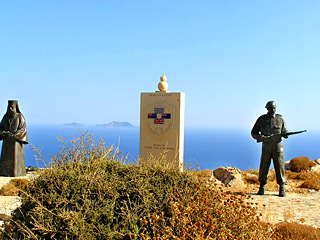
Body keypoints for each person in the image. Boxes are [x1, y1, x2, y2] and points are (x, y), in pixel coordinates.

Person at [251, 101, 288, 197]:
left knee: (279, 167)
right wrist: (261, 138)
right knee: (264, 167)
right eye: (271, 108)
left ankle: (282, 188)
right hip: (266, 147)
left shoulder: (280, 118)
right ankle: (262, 187)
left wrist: (285, 134)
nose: (273, 110)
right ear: (267, 109)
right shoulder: (261, 120)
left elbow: (285, 131)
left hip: (278, 147)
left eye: (274, 108)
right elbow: (253, 132)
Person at [0, 100, 28, 176]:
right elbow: (0, 128)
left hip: (16, 141)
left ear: (16, 107)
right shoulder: (5, 117)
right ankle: (4, 171)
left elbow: (22, 129)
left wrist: (15, 135)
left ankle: (16, 172)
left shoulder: (20, 116)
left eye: (12, 107)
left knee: (15, 158)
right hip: (6, 141)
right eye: (9, 107)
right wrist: (4, 133)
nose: (10, 109)